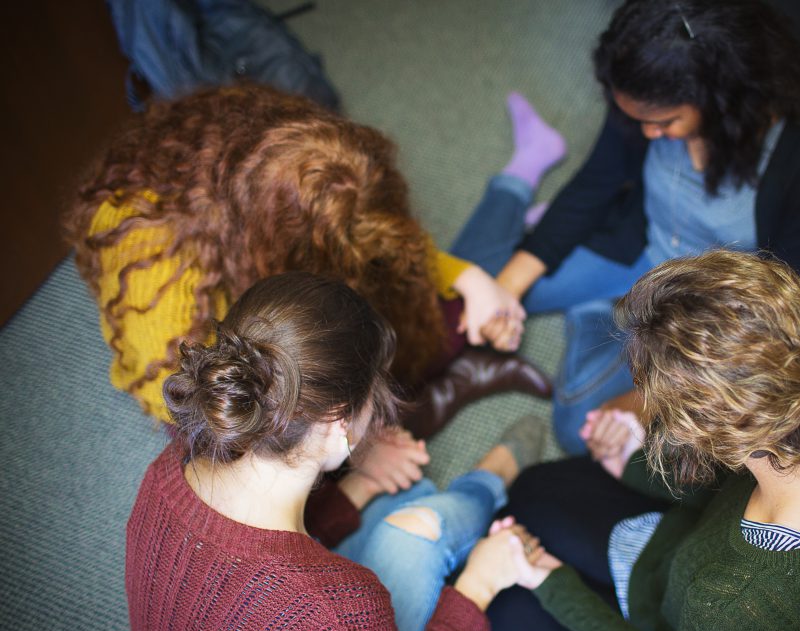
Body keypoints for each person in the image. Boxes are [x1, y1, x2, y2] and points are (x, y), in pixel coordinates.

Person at [487, 250, 800, 631]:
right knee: (531, 490)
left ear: (707, 436)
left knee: (503, 605)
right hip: (690, 562)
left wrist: (554, 585)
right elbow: (734, 490)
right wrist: (631, 465)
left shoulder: (732, 607)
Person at [450, 0, 800, 453]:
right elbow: (596, 182)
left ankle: (592, 314)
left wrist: (645, 400)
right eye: (635, 119)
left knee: (577, 430)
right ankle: (522, 173)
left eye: (662, 123)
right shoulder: (645, 85)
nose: (644, 134)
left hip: (698, 303)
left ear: (721, 98)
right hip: (632, 245)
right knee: (468, 285)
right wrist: (505, 288)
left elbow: (778, 303)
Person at [65, 83, 565, 438]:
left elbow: (383, 242)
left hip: (295, 304)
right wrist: (352, 442)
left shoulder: (277, 131)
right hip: (233, 385)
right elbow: (195, 408)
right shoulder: (158, 270)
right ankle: (517, 206)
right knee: (307, 492)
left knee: (433, 310)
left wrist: (469, 277)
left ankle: (517, 193)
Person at [126, 271, 549, 631]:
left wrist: (356, 488)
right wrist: (479, 584)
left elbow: (246, 561)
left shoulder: (168, 468)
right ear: (339, 422)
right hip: (322, 630)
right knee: (420, 528)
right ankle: (489, 480)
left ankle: (466, 488)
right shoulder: (342, 619)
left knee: (407, 511)